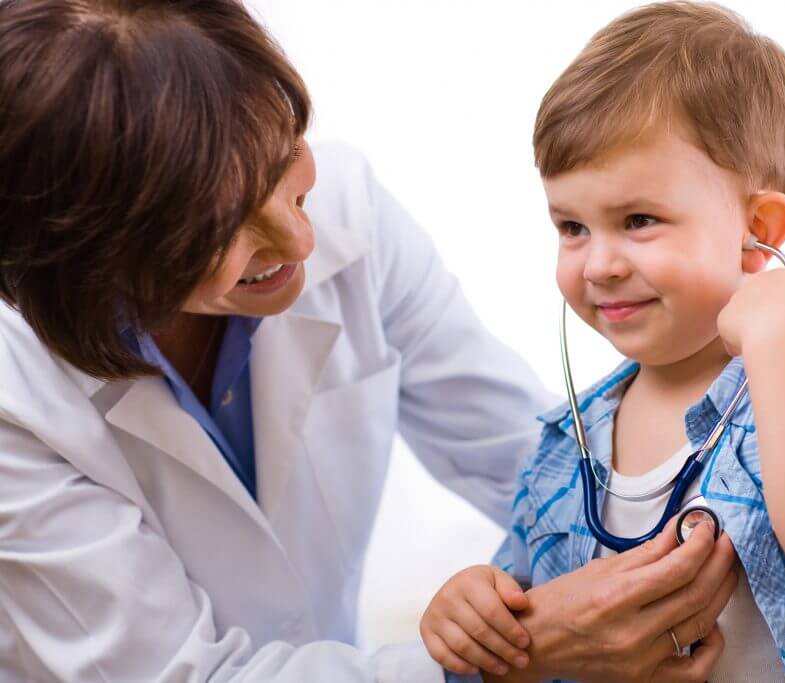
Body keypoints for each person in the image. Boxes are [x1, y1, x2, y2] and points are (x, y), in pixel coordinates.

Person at [0, 1, 738, 681]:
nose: (298, 236)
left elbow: (534, 467)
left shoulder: (348, 210)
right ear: (94, 258)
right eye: (217, 228)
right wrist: (517, 644)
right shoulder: (17, 393)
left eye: (284, 158)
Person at [420, 4, 785, 681]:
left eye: (638, 219)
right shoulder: (564, 444)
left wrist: (779, 334)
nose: (598, 264)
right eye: (571, 226)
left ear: (758, 227)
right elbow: (523, 617)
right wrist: (470, 609)